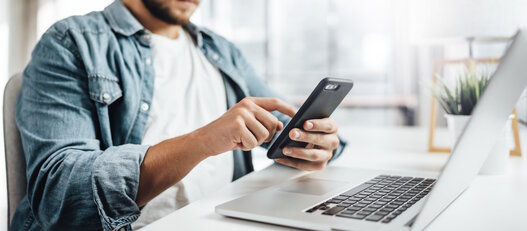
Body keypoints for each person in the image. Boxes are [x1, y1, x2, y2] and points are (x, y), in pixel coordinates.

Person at [11, 0, 347, 230]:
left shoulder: (219, 49)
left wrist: (315, 142)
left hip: (226, 221)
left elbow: (289, 128)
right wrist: (203, 141)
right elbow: (58, 194)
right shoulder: (71, 41)